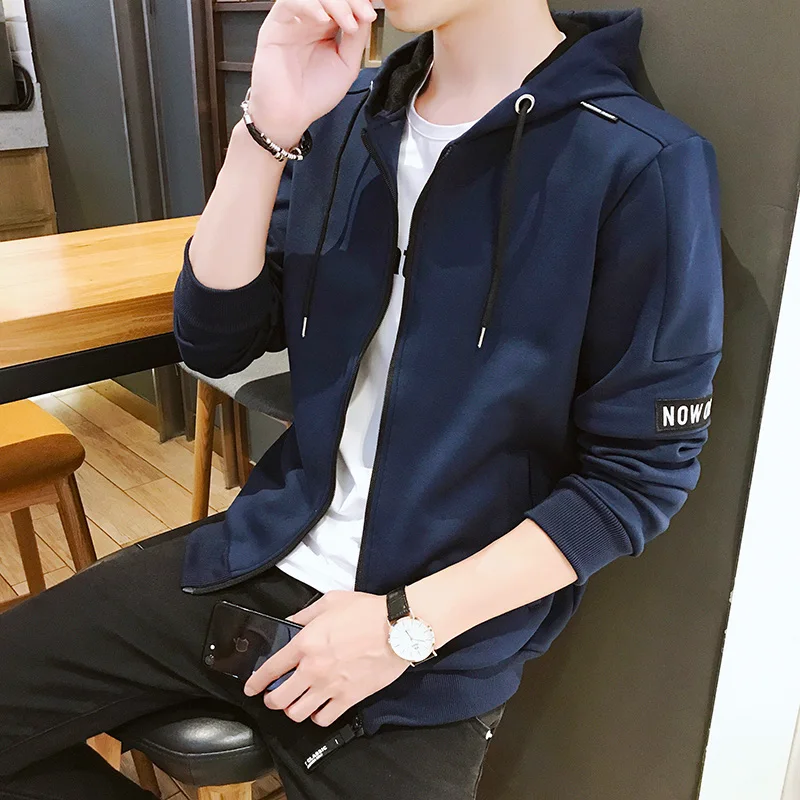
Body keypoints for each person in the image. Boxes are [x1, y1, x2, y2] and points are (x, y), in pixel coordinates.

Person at [0, 0, 724, 797]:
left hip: (433, 642)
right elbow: (213, 340)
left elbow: (637, 478)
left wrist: (405, 626)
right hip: (258, 557)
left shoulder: (640, 159)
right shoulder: (345, 117)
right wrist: (266, 128)